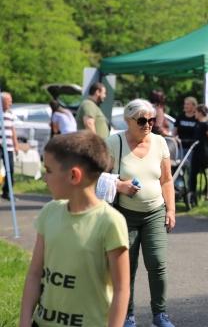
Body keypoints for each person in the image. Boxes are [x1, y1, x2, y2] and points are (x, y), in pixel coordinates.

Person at [19, 131, 130, 326]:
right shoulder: (49, 212)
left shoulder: (110, 222)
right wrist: (24, 321)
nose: (45, 178)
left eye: (49, 170)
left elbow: (121, 289)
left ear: (73, 175)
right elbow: (35, 274)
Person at [106, 99, 176, 327]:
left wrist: (171, 209)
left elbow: (166, 180)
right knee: (128, 267)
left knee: (157, 262)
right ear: (128, 121)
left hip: (155, 211)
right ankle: (128, 315)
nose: (148, 125)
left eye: (151, 120)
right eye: (142, 120)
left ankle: (160, 314)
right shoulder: (114, 142)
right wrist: (120, 186)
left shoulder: (160, 142)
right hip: (124, 214)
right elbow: (98, 177)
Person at [188, 104, 208, 205]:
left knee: (207, 174)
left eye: (196, 112)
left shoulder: (206, 124)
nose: (194, 114)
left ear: (200, 112)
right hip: (196, 151)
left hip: (204, 152)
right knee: (193, 173)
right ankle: (192, 193)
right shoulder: (197, 123)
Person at [1, 92, 18, 200]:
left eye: (11, 101)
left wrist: (16, 144)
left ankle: (7, 192)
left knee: (10, 169)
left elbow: (13, 130)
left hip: (9, 146)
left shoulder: (11, 114)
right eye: (9, 101)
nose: (10, 103)